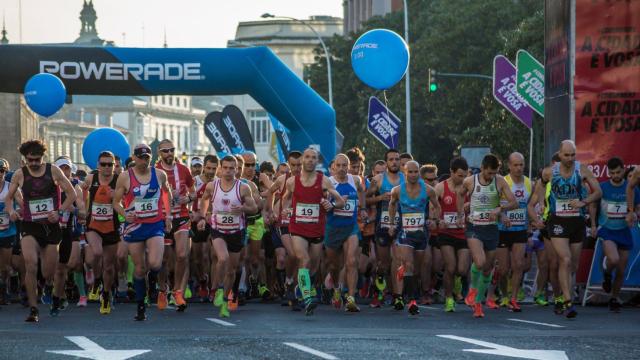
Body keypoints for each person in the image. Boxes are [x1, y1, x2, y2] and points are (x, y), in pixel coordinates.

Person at [5, 140, 77, 322]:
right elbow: (9, 197)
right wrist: (12, 211)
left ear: (42, 158)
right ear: (25, 160)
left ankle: (50, 289)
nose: (34, 163)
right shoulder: (20, 175)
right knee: (30, 264)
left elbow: (71, 194)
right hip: (30, 225)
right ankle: (33, 309)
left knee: (47, 273)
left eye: (37, 160)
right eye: (31, 160)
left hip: (51, 227)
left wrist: (59, 211)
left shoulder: (53, 171)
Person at [536, 140, 601, 318]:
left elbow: (598, 191)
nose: (570, 158)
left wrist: (583, 202)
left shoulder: (582, 170)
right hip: (557, 221)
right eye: (567, 155)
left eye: (573, 155)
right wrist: (541, 202)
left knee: (573, 265)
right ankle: (567, 301)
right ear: (559, 154)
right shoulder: (550, 172)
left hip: (576, 222)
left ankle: (562, 296)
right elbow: (540, 186)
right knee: (564, 259)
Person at [113, 143, 173, 321]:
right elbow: (116, 203)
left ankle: (153, 281)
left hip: (154, 224)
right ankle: (141, 305)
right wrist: (126, 214)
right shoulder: (125, 177)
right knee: (139, 268)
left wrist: (168, 215)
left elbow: (167, 194)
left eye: (147, 157)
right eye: (140, 157)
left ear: (151, 158)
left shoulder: (159, 174)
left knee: (155, 263)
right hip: (135, 226)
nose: (144, 161)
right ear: (134, 158)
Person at [282, 148, 345, 315]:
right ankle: (308, 296)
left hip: (316, 228)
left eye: (314, 158)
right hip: (297, 227)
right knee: (303, 258)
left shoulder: (324, 180)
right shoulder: (292, 182)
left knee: (312, 268)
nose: (310, 160)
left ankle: (297, 286)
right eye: (307, 157)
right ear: (303, 159)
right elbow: (286, 199)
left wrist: (331, 205)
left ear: (317, 161)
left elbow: (339, 201)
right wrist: (285, 210)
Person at [457, 154, 518, 318]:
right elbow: (460, 194)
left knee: (487, 269)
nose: (492, 176)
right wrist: (461, 212)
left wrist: (500, 210)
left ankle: (477, 303)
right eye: (489, 173)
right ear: (482, 168)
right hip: (474, 226)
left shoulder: (500, 181)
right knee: (480, 261)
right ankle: (472, 290)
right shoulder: (470, 181)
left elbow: (514, 202)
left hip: (491, 228)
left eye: (495, 173)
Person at [197, 155, 257, 318]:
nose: (229, 171)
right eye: (225, 168)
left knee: (232, 270)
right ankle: (215, 289)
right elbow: (204, 201)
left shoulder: (243, 188)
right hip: (218, 229)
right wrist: (203, 217)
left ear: (237, 169)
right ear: (220, 169)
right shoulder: (212, 186)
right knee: (222, 258)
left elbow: (254, 208)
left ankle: (224, 299)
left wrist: (243, 208)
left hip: (237, 231)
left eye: (232, 168)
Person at [388, 161, 440, 315]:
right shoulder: (397, 190)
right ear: (405, 173)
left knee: (415, 269)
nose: (413, 175)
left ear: (419, 173)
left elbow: (437, 206)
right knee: (409, 264)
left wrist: (434, 220)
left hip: (421, 234)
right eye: (410, 172)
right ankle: (411, 301)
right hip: (405, 234)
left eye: (415, 172)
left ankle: (402, 273)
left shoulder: (429, 190)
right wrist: (391, 224)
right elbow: (391, 205)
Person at [594, 157, 640, 312]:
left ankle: (614, 298)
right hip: (607, 230)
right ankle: (607, 273)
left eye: (618, 172)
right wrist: (593, 225)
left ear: (623, 169)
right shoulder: (602, 187)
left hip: (624, 231)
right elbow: (594, 206)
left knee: (621, 269)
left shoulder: (631, 187)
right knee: (613, 259)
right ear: (609, 172)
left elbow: (637, 208)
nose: (615, 175)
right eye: (612, 172)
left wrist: (633, 215)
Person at [155, 139, 195, 312]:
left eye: (171, 150)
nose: (169, 153)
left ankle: (177, 291)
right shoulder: (154, 171)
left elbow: (194, 191)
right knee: (163, 261)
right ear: (159, 153)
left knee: (181, 255)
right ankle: (163, 290)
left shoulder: (183, 170)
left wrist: (189, 198)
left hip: (182, 217)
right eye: (165, 151)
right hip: (161, 220)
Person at [325, 154, 367, 312]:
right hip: (333, 228)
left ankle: (351, 297)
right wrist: (331, 204)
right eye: (339, 165)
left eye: (345, 165)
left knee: (351, 261)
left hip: (351, 227)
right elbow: (322, 201)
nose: (342, 169)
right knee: (334, 266)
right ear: (334, 166)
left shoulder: (355, 180)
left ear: (348, 166)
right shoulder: (328, 182)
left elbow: (362, 191)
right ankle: (336, 288)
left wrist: (362, 208)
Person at [490, 152, 532, 312]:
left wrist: (530, 225)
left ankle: (513, 298)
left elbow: (529, 206)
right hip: (502, 229)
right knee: (503, 268)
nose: (519, 168)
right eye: (515, 165)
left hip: (520, 229)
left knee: (518, 265)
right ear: (509, 165)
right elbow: (493, 205)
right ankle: (504, 294)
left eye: (521, 164)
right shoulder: (502, 181)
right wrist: (501, 215)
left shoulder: (529, 183)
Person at [81, 151, 120, 314]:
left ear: (114, 166)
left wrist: (116, 197)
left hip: (112, 227)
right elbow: (82, 192)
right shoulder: (91, 178)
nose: (106, 168)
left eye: (109, 165)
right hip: (94, 225)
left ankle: (105, 295)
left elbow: (128, 200)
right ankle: (97, 281)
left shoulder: (120, 181)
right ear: (98, 165)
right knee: (96, 253)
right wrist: (83, 209)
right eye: (103, 164)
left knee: (109, 267)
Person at [366, 149, 405, 308]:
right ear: (386, 162)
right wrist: (380, 197)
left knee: (398, 260)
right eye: (391, 159)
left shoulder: (406, 179)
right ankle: (379, 281)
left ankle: (398, 296)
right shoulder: (378, 180)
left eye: (397, 159)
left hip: (400, 224)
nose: (394, 162)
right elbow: (366, 199)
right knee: (384, 263)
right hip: (382, 224)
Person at [435, 157, 470, 312]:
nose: (462, 179)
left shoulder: (469, 187)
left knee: (462, 269)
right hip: (446, 233)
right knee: (450, 267)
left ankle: (457, 282)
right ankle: (449, 298)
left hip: (463, 233)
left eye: (464, 176)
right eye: (459, 175)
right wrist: (437, 220)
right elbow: (432, 207)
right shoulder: (441, 187)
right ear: (451, 172)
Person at [190, 155, 218, 301]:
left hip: (213, 222)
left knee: (209, 255)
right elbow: (189, 199)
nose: (211, 171)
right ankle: (202, 279)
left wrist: (209, 214)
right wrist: (192, 213)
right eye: (208, 168)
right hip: (196, 221)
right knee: (197, 258)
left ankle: (210, 287)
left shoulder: (219, 183)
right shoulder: (195, 181)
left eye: (214, 168)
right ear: (204, 167)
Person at [0, 158, 22, 306]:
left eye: (2, 171)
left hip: (8, 232)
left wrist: (15, 211)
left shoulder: (11, 187)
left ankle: (5, 288)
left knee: (5, 266)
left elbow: (23, 205)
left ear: (6, 172)